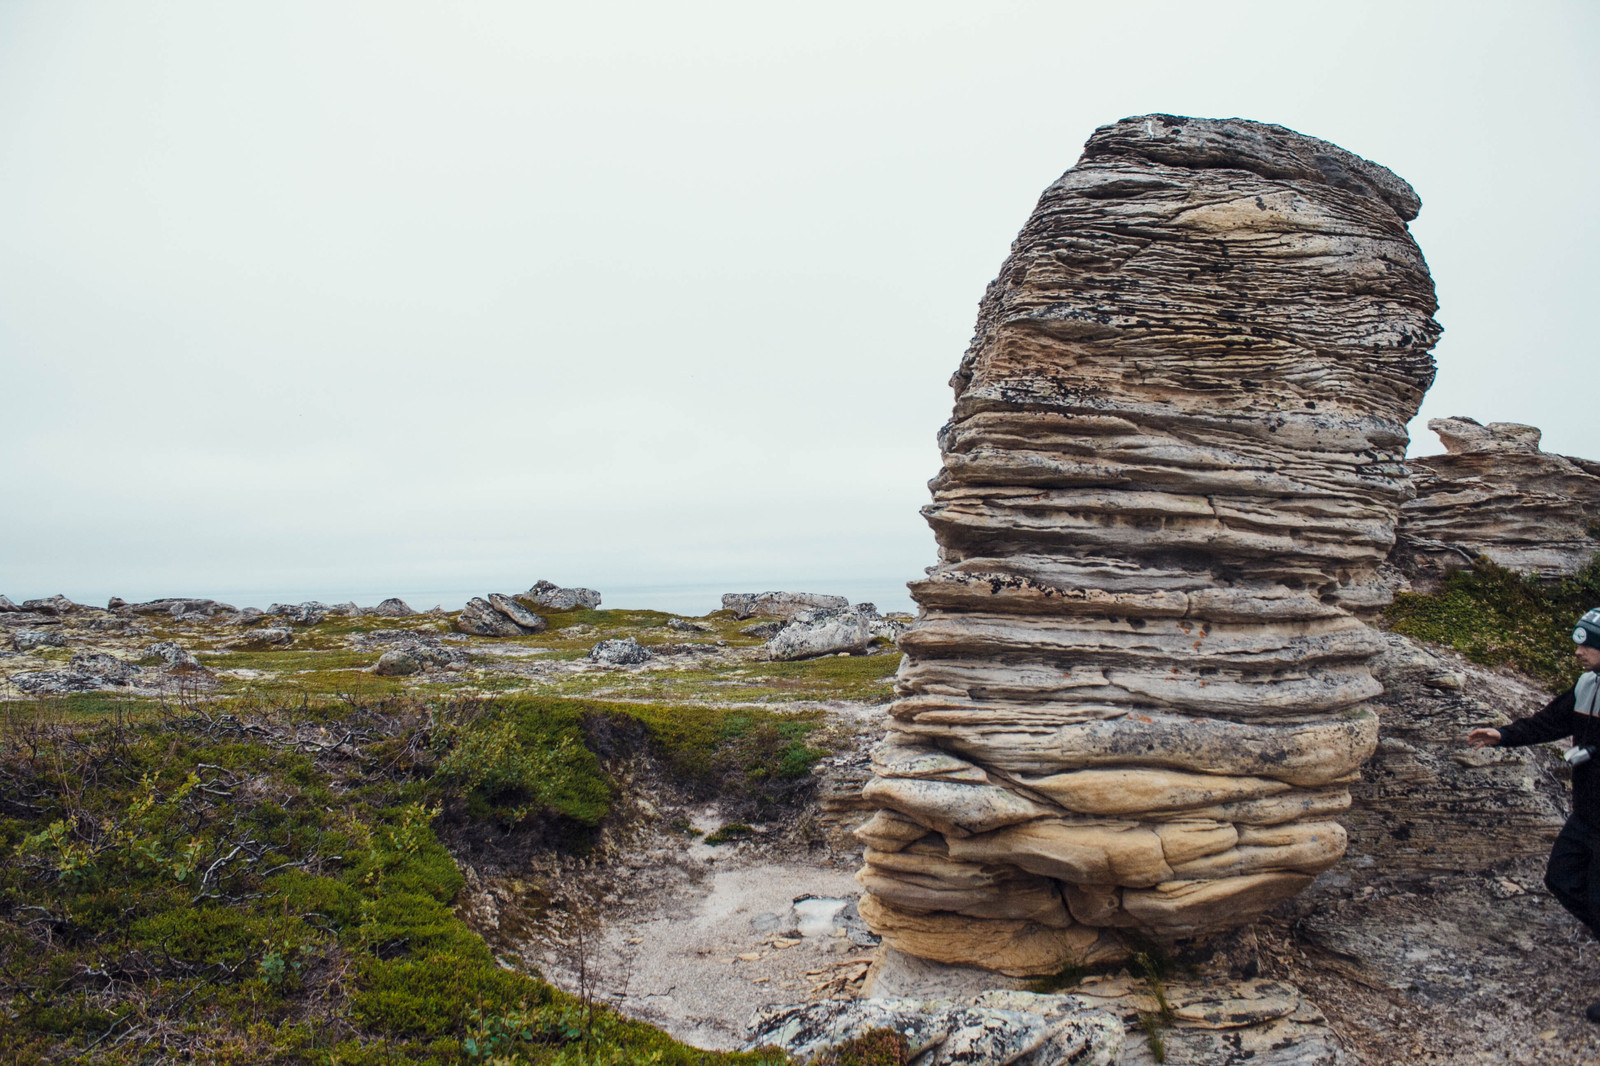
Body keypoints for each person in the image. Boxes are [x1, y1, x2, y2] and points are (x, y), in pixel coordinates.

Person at [1468, 607, 1600, 1025]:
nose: (1578, 652)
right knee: (1561, 878)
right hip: (1588, 813)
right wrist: (1503, 735)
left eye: (1586, 644)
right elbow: (1551, 721)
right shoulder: (1586, 686)